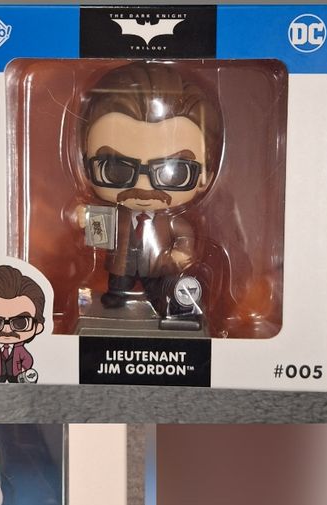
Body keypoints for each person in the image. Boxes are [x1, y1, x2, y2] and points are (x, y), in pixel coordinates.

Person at [79, 62, 222, 321]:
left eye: (174, 173)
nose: (143, 187)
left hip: (158, 268)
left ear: (206, 175)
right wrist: (85, 218)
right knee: (117, 286)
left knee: (158, 290)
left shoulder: (174, 222)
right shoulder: (117, 216)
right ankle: (118, 295)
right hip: (121, 266)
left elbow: (185, 239)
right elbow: (99, 230)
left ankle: (161, 301)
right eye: (116, 169)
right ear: (86, 166)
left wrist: (180, 255)